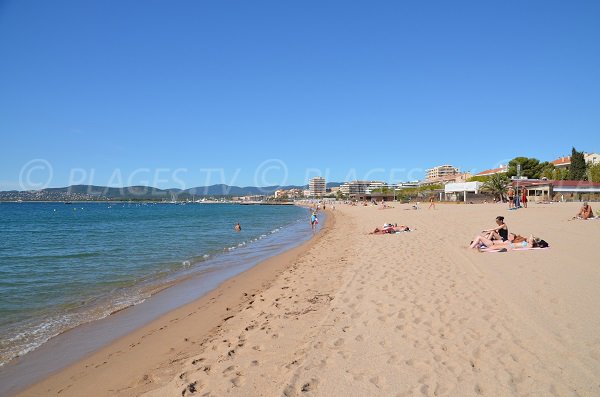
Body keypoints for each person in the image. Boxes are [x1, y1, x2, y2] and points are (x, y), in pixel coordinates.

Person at [469, 232, 537, 250]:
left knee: (479, 237)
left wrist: (530, 240)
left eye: (510, 236)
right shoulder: (510, 241)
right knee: (482, 237)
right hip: (492, 244)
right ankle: (475, 246)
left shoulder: (509, 242)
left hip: (491, 244)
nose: (508, 236)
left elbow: (530, 242)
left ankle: (470, 248)